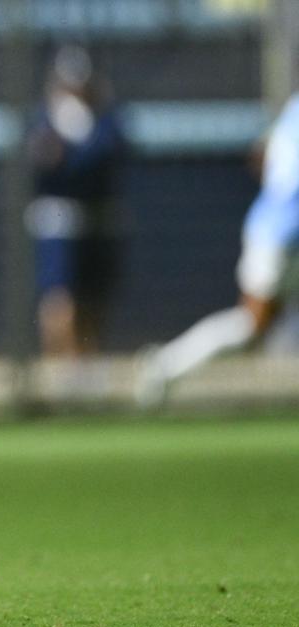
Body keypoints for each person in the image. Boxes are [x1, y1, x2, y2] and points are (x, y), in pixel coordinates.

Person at [135, 94, 299, 407]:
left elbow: (260, 157)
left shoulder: (294, 109)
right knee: (250, 327)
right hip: (281, 236)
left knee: (254, 328)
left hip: (276, 229)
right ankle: (164, 366)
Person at [25, 45, 126, 359]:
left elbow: (108, 153)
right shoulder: (45, 116)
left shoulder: (104, 117)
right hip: (60, 218)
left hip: (96, 217)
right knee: (59, 295)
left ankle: (89, 359)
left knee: (93, 295)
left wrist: (73, 156)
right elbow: (45, 161)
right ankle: (62, 360)